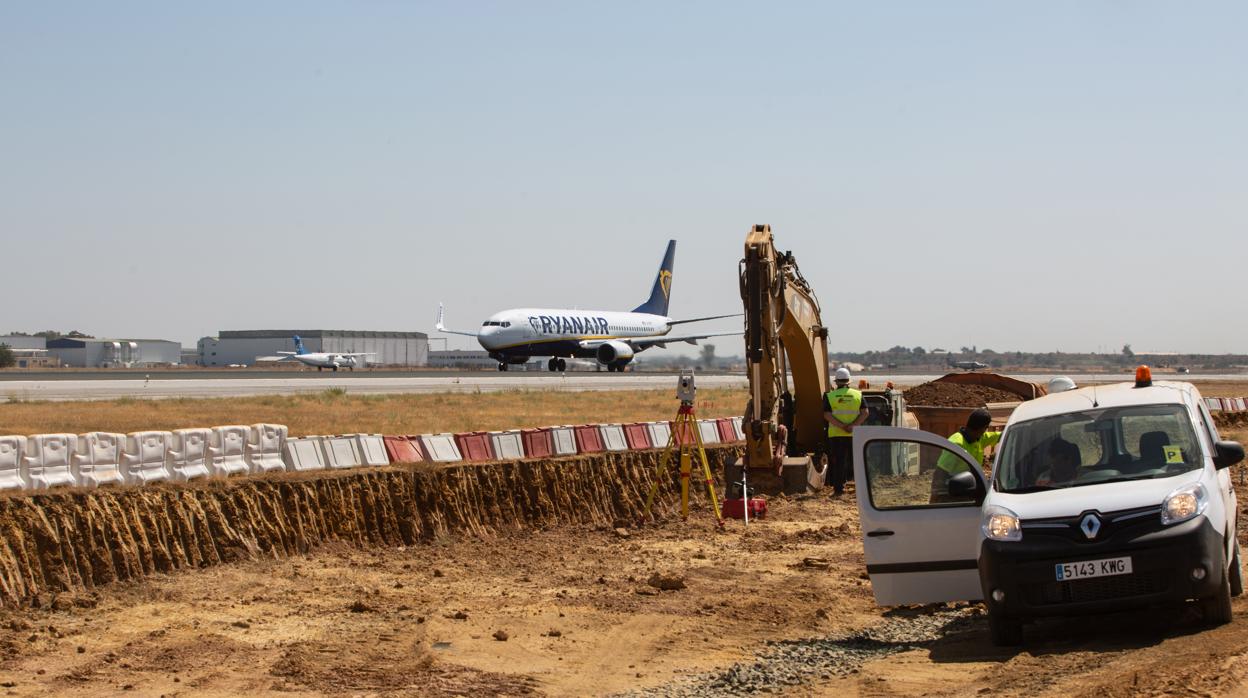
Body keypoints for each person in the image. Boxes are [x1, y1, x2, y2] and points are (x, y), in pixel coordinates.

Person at [931, 408, 1002, 502]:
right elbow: (939, 474)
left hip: (971, 488)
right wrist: (934, 502)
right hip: (953, 495)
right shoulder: (956, 444)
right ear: (984, 428)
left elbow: (1001, 436)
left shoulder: (979, 438)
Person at [824, 367, 869, 495]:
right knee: (857, 461)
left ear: (836, 382)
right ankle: (861, 489)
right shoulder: (858, 394)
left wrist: (842, 426)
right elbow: (865, 413)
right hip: (855, 434)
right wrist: (853, 426)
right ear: (849, 381)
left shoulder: (830, 396)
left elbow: (826, 415)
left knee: (839, 461)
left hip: (836, 434)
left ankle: (839, 489)